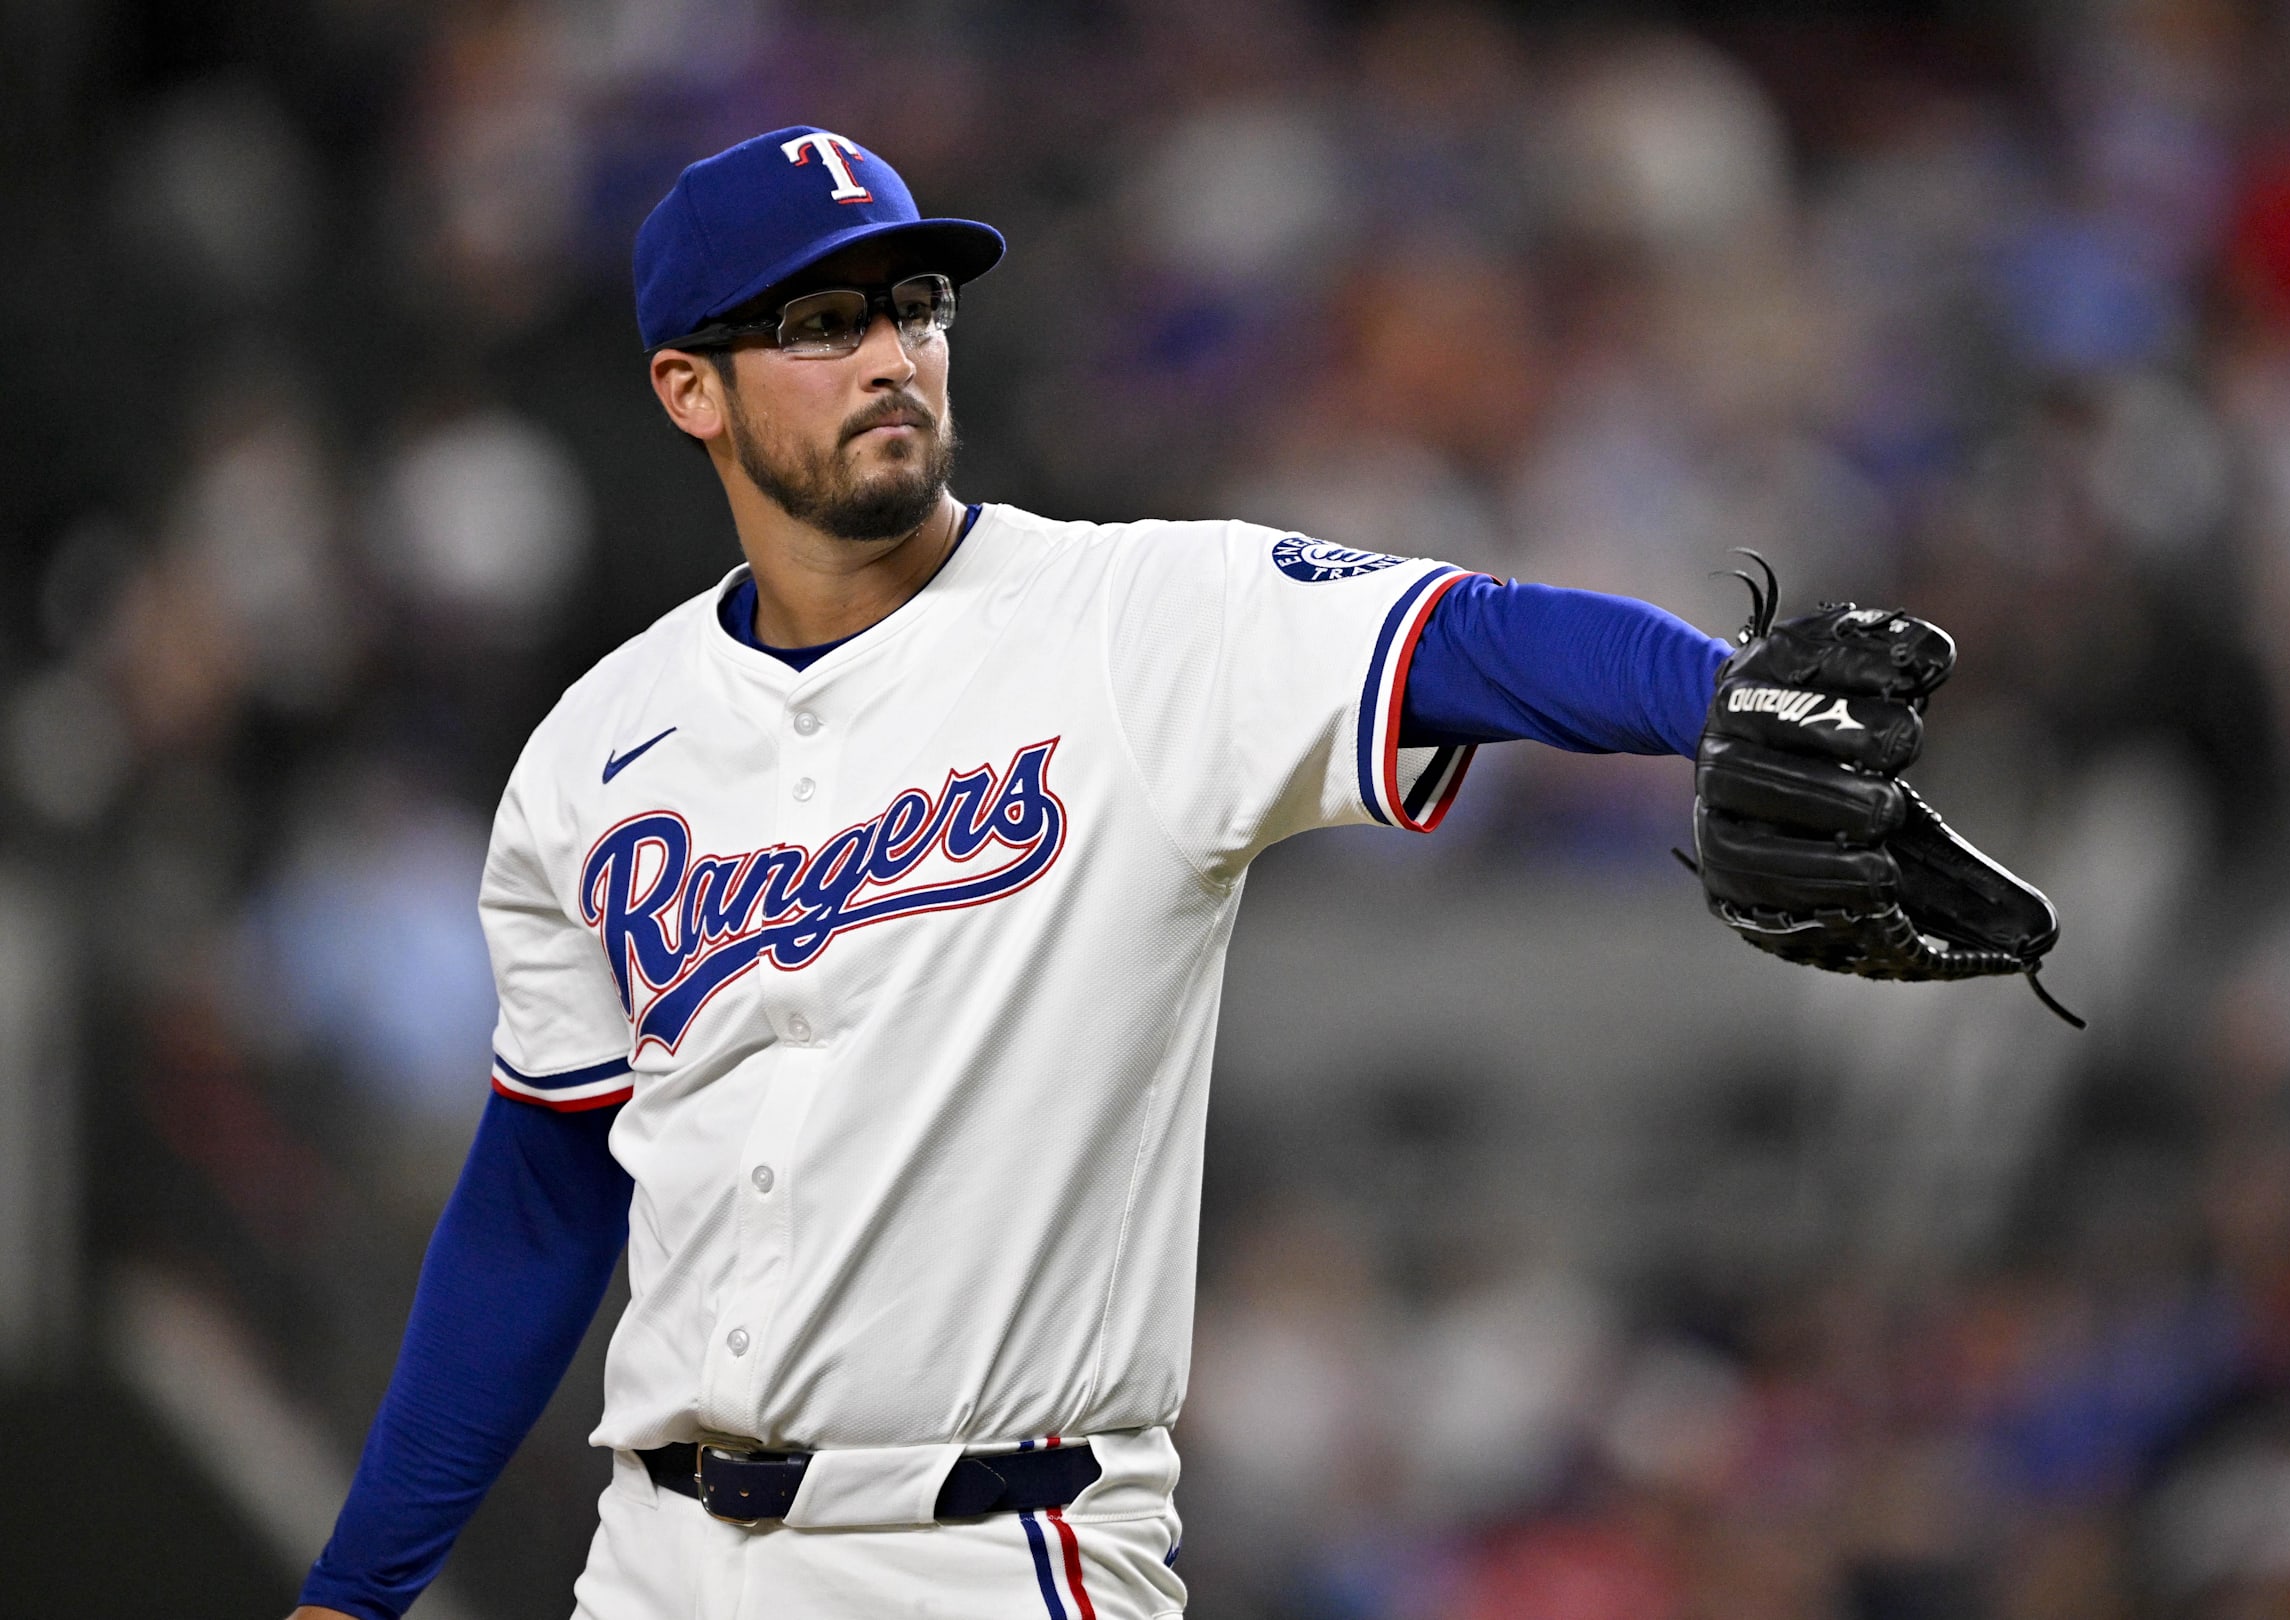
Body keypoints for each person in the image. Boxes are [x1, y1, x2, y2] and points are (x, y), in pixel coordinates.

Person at [288, 125, 1734, 1620]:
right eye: (820, 323)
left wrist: (1731, 701)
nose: (890, 357)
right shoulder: (595, 752)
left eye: (914, 307)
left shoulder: (1135, 619)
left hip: (995, 1552)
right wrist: (357, 1588)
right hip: (659, 1562)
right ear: (688, 389)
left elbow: (1479, 636)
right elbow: (539, 1200)